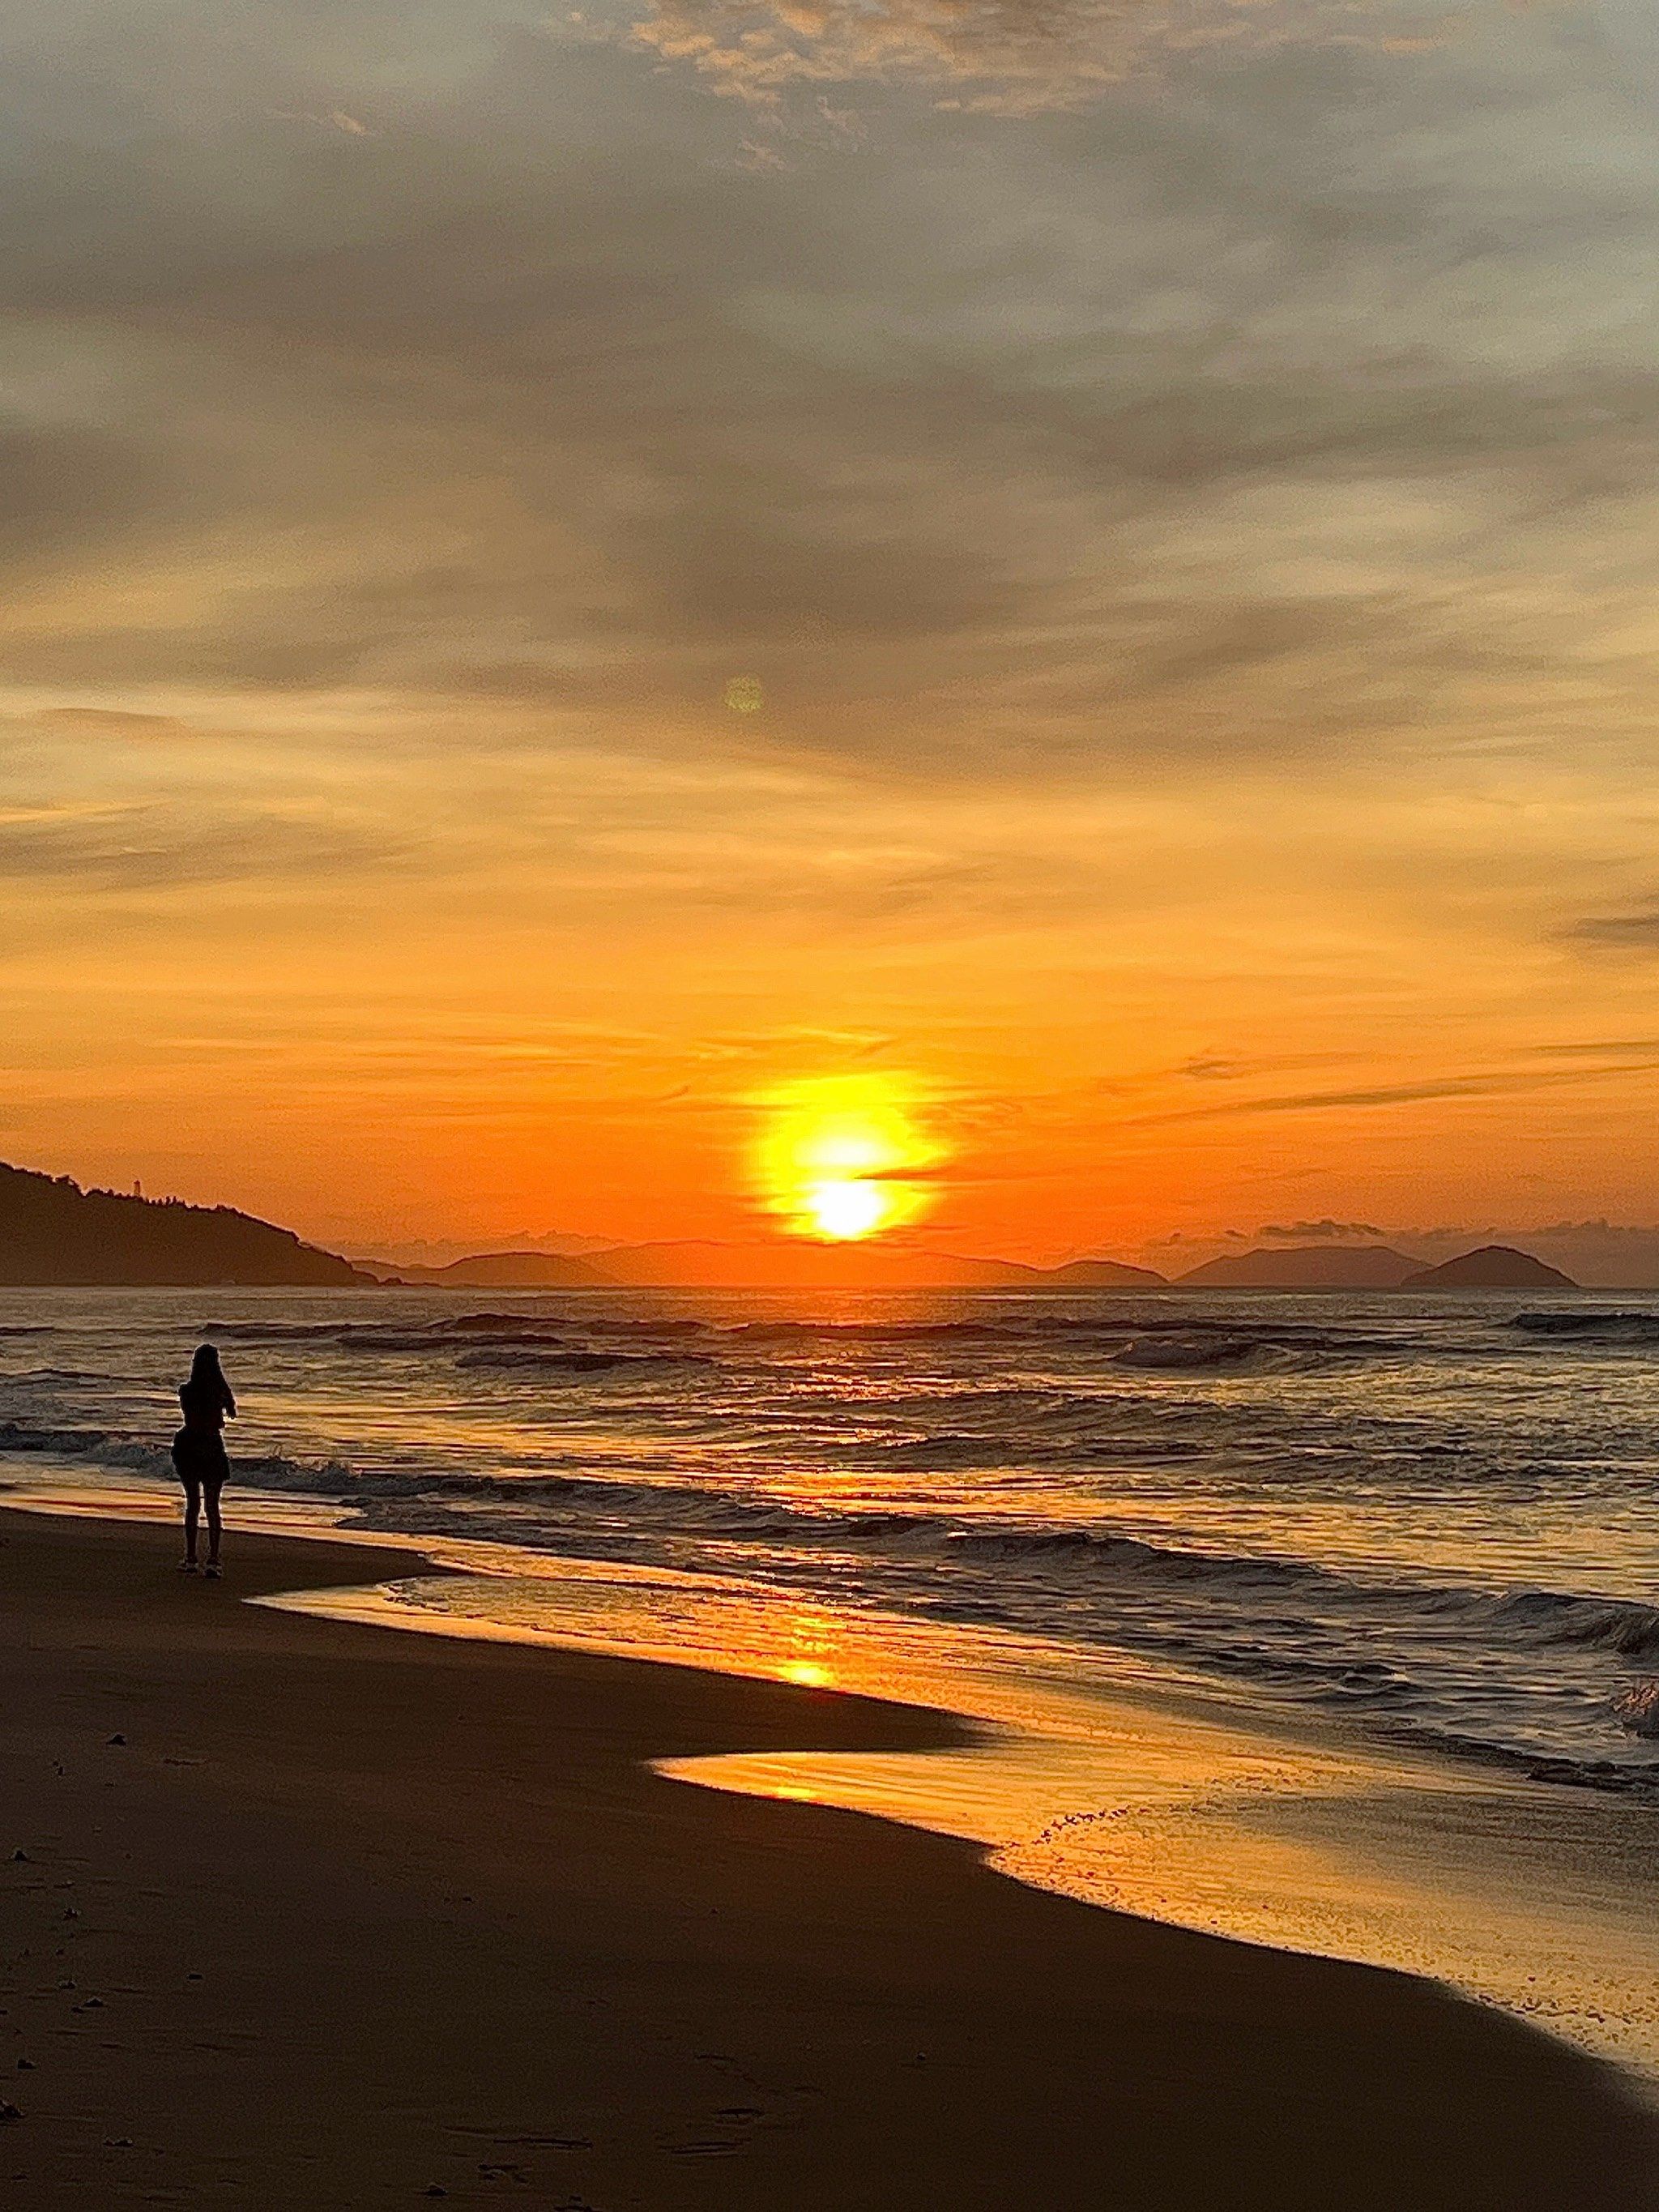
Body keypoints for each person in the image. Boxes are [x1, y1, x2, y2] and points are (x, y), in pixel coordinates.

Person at [171, 1343, 236, 1578]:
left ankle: (191, 1558)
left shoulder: (186, 1391)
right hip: (211, 1447)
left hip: (189, 1445)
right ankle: (214, 1560)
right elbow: (230, 1414)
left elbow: (190, 1416)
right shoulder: (220, 1393)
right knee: (212, 1506)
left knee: (193, 1504)